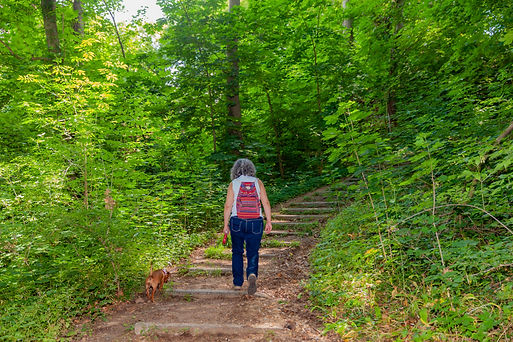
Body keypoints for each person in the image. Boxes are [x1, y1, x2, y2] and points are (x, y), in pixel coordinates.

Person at [223, 158, 272, 295]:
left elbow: (228, 205)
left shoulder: (234, 184)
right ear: (251, 169)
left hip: (237, 221)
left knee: (237, 252)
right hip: (256, 221)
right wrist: (268, 221)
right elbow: (266, 202)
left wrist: (225, 224)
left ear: (235, 170)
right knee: (253, 252)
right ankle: (251, 274)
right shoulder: (258, 182)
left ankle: (238, 283)